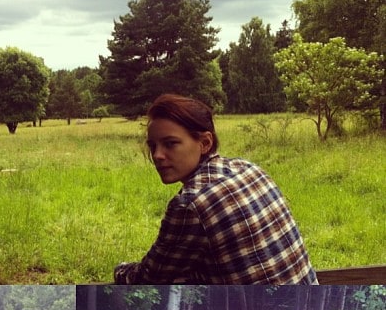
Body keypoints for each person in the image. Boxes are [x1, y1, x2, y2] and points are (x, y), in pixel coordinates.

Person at [114, 94, 317, 284]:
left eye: (170, 144)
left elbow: (150, 278)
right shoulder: (248, 168)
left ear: (205, 143)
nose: (158, 155)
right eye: (153, 146)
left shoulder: (190, 204)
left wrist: (120, 270)